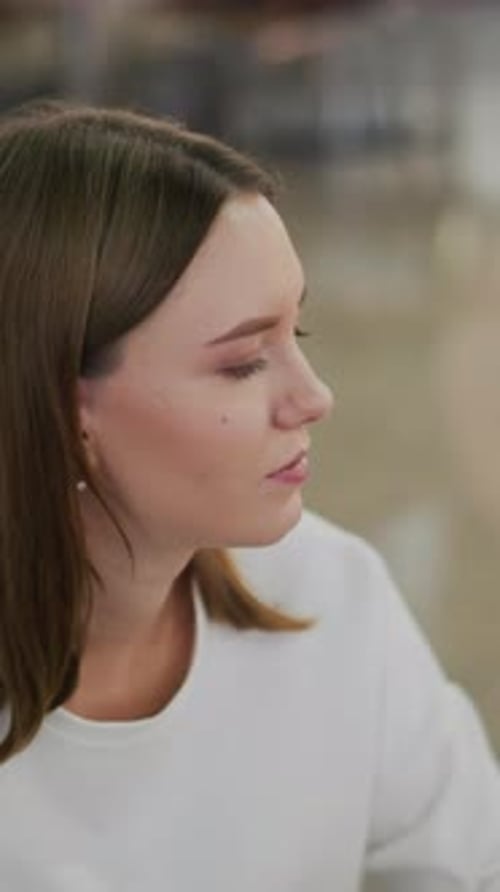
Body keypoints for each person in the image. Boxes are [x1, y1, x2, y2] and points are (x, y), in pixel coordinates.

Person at [0, 99, 498, 892]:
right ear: (65, 408)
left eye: (292, 337)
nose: (314, 397)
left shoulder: (331, 593)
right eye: (241, 362)